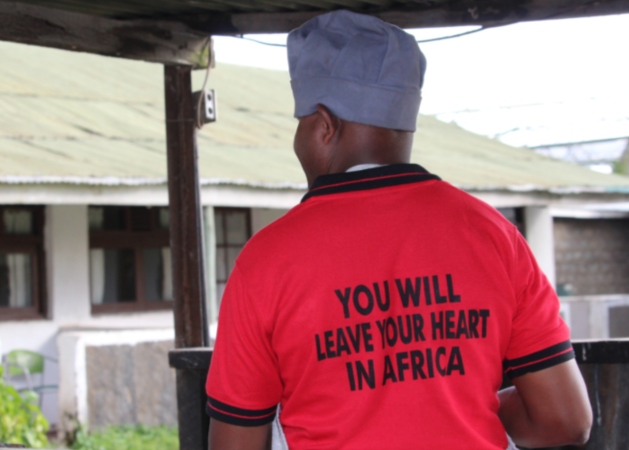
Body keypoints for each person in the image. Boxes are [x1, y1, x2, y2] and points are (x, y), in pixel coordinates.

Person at [206, 10, 592, 450]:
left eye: (302, 126)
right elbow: (566, 420)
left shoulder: (266, 260)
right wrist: (471, 405)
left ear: (324, 125)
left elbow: (235, 444)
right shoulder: (493, 235)